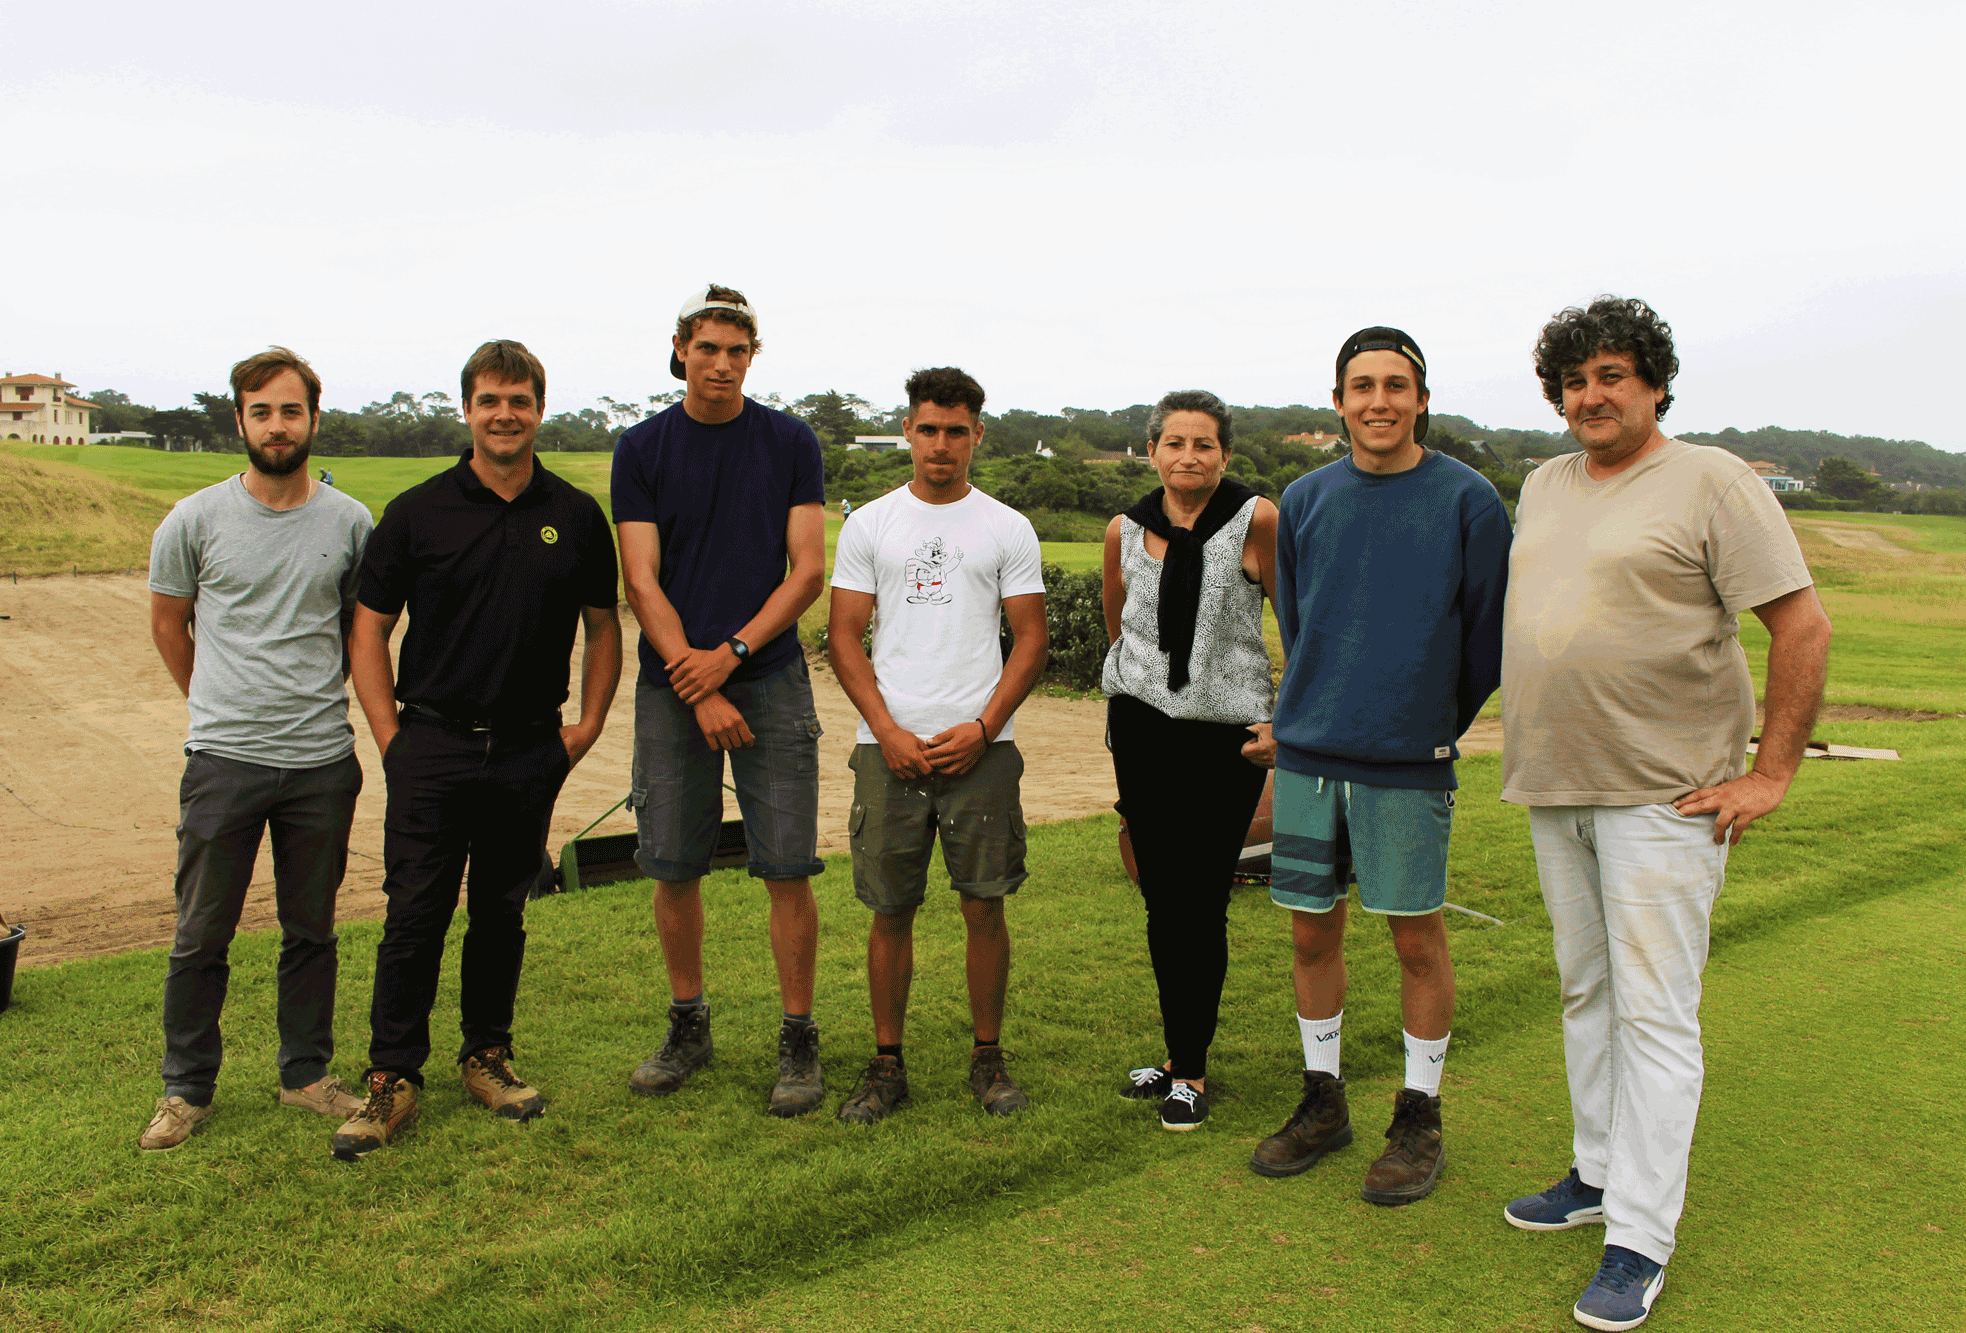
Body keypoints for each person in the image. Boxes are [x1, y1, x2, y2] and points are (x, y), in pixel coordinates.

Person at [1500, 297, 1830, 1331]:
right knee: (1585, 990)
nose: (1589, 396)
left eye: (1610, 374)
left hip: (1664, 793)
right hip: (1558, 784)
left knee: (1653, 1015)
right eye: (1572, 380)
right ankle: (1596, 1172)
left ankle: (1639, 1235)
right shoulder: (1544, 481)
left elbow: (1801, 625)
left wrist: (1768, 773)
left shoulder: (1713, 481)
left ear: (1652, 382)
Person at [332, 339, 621, 1160]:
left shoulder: (575, 513)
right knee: (414, 914)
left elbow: (604, 628)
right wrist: (391, 736)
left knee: (501, 911)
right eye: (490, 400)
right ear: (467, 409)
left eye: (520, 400)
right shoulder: (419, 512)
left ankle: (487, 1055)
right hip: (431, 742)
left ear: (539, 409)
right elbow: (370, 630)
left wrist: (588, 725)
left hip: (531, 746)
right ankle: (393, 1077)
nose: (505, 414)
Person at [1254, 329, 1510, 1202]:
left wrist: (1427, 722)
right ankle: (1323, 1100)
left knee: (1414, 934)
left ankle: (1420, 1114)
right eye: (1361, 386)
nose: (1379, 402)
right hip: (1309, 754)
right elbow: (1301, 617)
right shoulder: (1306, 496)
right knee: (1309, 928)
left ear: (1422, 398)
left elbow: (1487, 638)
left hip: (1408, 759)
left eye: (1396, 386)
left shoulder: (1468, 499)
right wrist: (1322, 707)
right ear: (1337, 401)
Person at [141, 346, 374, 1151]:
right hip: (223, 760)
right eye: (262, 410)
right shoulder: (195, 520)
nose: (278, 425)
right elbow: (170, 623)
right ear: (239, 419)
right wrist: (215, 703)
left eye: (291, 410)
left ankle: (306, 1074)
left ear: (314, 417)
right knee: (202, 930)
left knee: (311, 927)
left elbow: (359, 630)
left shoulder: (350, 523)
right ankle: (186, 1088)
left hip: (320, 759)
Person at [612, 285, 830, 1117]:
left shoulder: (788, 441)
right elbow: (642, 577)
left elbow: (805, 568)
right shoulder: (643, 447)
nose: (722, 364)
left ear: (753, 357)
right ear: (679, 349)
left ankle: (798, 1037)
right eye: (708, 348)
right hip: (674, 687)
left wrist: (734, 653)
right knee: (672, 863)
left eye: (738, 351)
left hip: (768, 675)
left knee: (787, 866)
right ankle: (688, 1024)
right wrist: (696, 680)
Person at [826, 367, 1048, 1124]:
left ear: (978, 433)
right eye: (928, 429)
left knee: (983, 906)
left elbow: (1031, 639)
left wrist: (984, 727)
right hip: (888, 748)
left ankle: (989, 1055)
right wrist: (885, 729)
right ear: (909, 431)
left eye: (957, 431)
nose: (941, 445)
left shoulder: (1007, 526)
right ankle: (887, 1063)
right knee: (891, 909)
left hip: (981, 748)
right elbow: (843, 637)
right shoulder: (872, 524)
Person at [1101, 389, 1279, 1131]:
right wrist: (1129, 699)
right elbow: (1121, 624)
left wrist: (1284, 718)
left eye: (1203, 443)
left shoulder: (1256, 518)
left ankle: (1192, 1071)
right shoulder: (1123, 529)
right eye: (1174, 442)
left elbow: (1295, 618)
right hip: (1142, 728)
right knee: (1159, 893)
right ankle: (1177, 1057)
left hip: (1222, 736)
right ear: (1152, 452)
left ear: (1225, 454)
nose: (1188, 456)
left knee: (1200, 898)